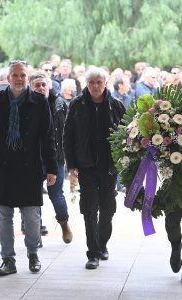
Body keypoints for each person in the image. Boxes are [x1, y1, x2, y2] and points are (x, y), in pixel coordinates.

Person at [0, 60, 57, 276]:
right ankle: (8, 259)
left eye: (23, 75)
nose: (19, 79)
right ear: (8, 77)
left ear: (27, 78)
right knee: (4, 216)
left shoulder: (39, 101)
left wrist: (51, 168)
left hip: (29, 167)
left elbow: (48, 138)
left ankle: (32, 254)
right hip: (2, 166)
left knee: (31, 216)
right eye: (15, 75)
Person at [63, 67, 125, 270]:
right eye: (92, 83)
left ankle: (102, 243)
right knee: (89, 209)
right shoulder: (77, 105)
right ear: (86, 84)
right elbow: (68, 136)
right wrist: (71, 164)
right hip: (86, 166)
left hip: (109, 166)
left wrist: (124, 161)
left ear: (105, 83)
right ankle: (93, 253)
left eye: (99, 82)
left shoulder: (116, 105)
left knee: (108, 209)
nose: (95, 86)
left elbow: (127, 135)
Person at [29, 72, 72, 244]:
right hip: (32, 159)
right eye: (37, 85)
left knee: (56, 194)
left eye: (43, 85)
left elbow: (68, 132)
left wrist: (69, 156)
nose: (40, 88)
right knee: (32, 196)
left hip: (56, 158)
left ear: (49, 86)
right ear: (31, 87)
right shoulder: (27, 105)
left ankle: (64, 225)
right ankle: (35, 232)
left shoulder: (60, 104)